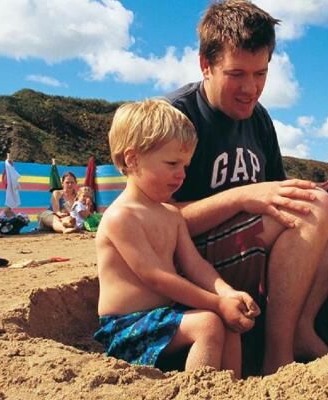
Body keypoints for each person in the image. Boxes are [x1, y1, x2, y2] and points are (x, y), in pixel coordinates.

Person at [164, 0, 328, 375]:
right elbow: (151, 222)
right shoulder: (177, 117)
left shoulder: (258, 119)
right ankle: (278, 356)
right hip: (190, 267)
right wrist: (241, 195)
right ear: (205, 65)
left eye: (261, 73)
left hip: (246, 252)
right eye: (237, 74)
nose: (251, 88)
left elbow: (277, 192)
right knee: (311, 208)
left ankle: (299, 327)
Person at [94, 99, 260, 378]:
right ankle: (201, 392)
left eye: (185, 165)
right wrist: (216, 303)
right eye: (172, 163)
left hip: (165, 317)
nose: (181, 175)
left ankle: (234, 389)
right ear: (132, 159)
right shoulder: (121, 217)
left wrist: (226, 293)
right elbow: (156, 276)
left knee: (227, 323)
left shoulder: (172, 215)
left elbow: (196, 266)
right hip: (126, 327)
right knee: (208, 322)